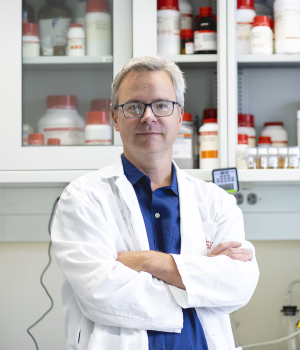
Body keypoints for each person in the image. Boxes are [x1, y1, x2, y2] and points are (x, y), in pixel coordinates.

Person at [52, 56, 259, 350]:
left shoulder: (215, 201)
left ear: (180, 115)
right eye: (134, 106)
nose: (148, 116)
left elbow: (238, 285)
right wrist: (200, 284)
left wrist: (148, 261)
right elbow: (100, 294)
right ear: (114, 117)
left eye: (161, 105)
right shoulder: (83, 198)